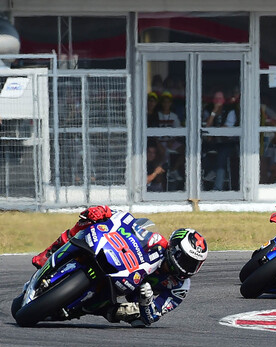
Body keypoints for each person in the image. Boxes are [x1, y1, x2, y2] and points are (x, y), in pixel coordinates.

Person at [30, 206, 207, 327]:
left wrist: (146, 302)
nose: (188, 267)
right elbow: (130, 225)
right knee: (89, 220)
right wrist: (106, 212)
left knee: (134, 317)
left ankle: (81, 309)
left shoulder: (180, 287)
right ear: (174, 250)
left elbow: (153, 316)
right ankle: (48, 253)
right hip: (122, 268)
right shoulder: (156, 242)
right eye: (186, 260)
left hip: (133, 293)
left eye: (194, 263)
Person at [202, 90, 238, 191]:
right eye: (216, 99)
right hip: (211, 141)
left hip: (226, 141)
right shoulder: (208, 109)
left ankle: (217, 188)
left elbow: (227, 128)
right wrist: (213, 112)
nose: (218, 101)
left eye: (220, 99)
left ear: (224, 100)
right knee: (200, 153)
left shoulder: (230, 110)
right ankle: (209, 172)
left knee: (222, 157)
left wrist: (214, 131)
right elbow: (206, 126)